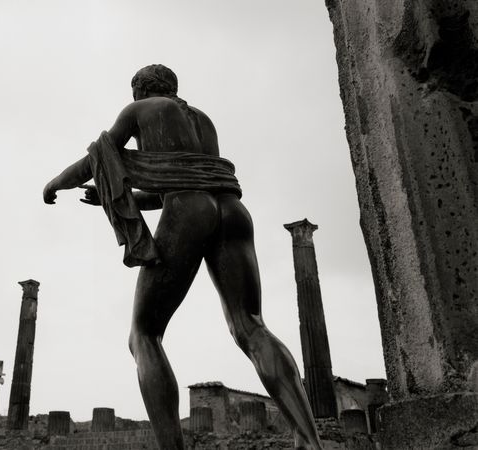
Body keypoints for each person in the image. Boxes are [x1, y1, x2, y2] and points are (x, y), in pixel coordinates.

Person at [43, 64, 323, 450]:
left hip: (190, 210)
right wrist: (111, 198)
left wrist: (56, 182)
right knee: (251, 326)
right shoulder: (204, 121)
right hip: (234, 212)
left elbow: (100, 157)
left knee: (144, 335)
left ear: (141, 89)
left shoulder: (140, 110)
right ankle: (310, 440)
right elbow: (181, 183)